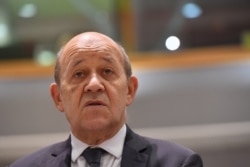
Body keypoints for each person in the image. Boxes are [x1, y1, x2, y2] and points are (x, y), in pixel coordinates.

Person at [9, 32, 203, 167]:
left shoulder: (178, 163)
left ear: (129, 90)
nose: (94, 84)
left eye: (107, 71)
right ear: (58, 97)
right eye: (79, 74)